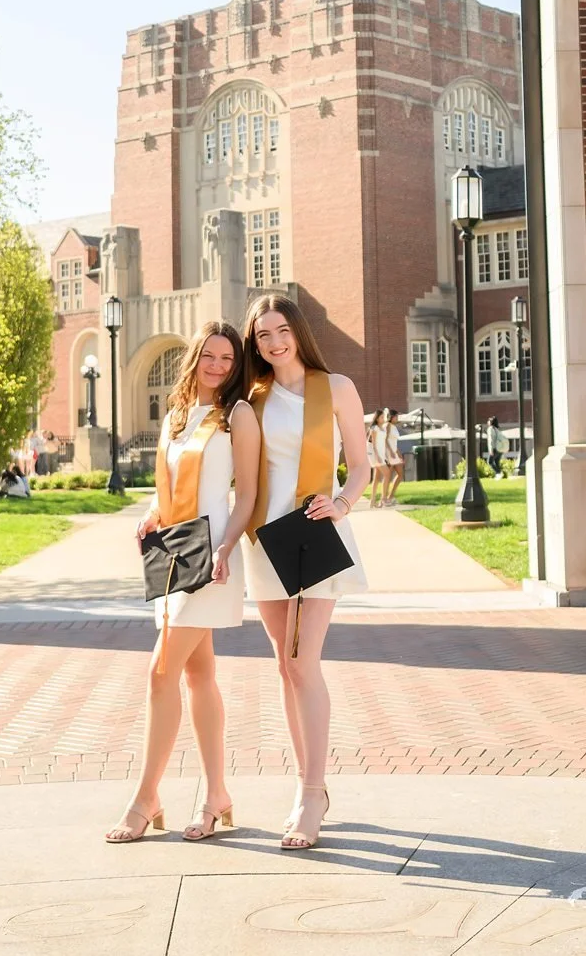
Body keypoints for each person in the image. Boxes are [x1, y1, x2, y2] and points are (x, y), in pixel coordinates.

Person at [106, 321, 261, 845]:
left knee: (160, 673)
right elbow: (167, 487)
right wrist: (151, 514)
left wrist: (225, 548)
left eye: (227, 359)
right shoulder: (176, 417)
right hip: (175, 554)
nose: (218, 366)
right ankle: (217, 793)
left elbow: (246, 496)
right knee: (198, 676)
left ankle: (146, 797)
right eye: (209, 356)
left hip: (212, 560)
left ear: (236, 366)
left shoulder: (236, 416)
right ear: (194, 358)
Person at [242, 293, 371, 850]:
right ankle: (307, 788)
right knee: (284, 667)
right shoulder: (252, 398)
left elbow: (362, 466)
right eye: (262, 335)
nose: (273, 342)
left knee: (303, 661)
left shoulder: (336, 387)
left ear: (297, 330)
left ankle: (310, 791)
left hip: (317, 532)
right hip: (265, 538)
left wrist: (343, 504)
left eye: (280, 330)